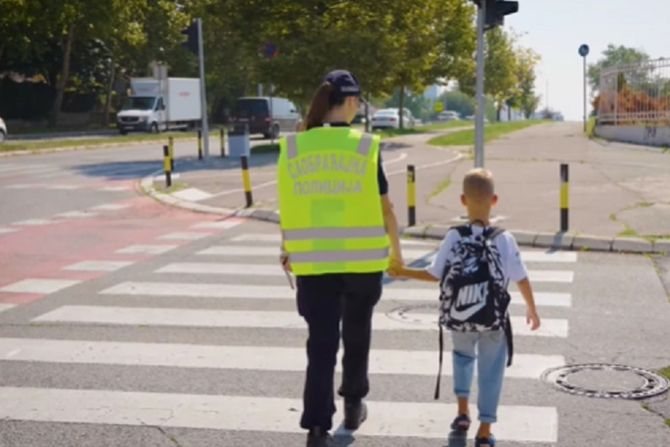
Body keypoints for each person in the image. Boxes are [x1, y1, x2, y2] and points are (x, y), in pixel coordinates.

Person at [277, 69, 403, 447]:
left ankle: (317, 427)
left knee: (321, 346)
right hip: (362, 264)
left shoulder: (296, 147)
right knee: (357, 334)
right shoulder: (363, 146)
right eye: (359, 102)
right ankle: (352, 405)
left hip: (314, 265)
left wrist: (287, 248)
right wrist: (397, 254)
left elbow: (290, 204)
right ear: (349, 101)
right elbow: (386, 208)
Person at [390, 168, 541, 447]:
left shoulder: (454, 237)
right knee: (491, 369)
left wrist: (403, 272)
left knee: (462, 357)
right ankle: (484, 430)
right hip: (493, 321)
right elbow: (521, 277)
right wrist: (532, 309)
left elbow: (434, 274)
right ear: (494, 200)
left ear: (463, 200)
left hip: (460, 316)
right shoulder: (503, 238)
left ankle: (462, 412)